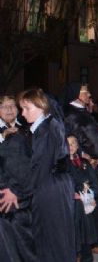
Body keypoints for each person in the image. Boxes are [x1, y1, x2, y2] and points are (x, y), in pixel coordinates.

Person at [8, 89, 75, 262]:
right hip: (52, 185)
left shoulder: (47, 129)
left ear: (41, 106)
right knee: (51, 237)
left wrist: (17, 192)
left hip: (51, 188)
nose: (23, 113)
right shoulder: (44, 126)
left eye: (27, 108)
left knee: (53, 237)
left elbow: (39, 168)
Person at [64, 83, 98, 255]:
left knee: (97, 200)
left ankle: (95, 240)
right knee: (89, 201)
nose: (89, 94)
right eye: (86, 92)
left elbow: (87, 132)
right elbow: (72, 138)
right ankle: (90, 243)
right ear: (76, 94)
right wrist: (86, 156)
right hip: (86, 164)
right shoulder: (71, 114)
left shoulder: (83, 111)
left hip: (95, 162)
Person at [0, 95, 36, 262]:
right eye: (5, 106)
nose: (9, 109)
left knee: (24, 237)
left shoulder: (26, 128)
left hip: (24, 190)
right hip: (4, 191)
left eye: (12, 106)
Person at [67, 135, 98, 262]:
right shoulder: (60, 166)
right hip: (70, 207)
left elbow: (96, 185)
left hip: (85, 205)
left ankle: (87, 258)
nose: (71, 146)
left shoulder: (84, 163)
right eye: (68, 143)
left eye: (74, 143)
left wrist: (87, 194)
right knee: (72, 237)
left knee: (86, 236)